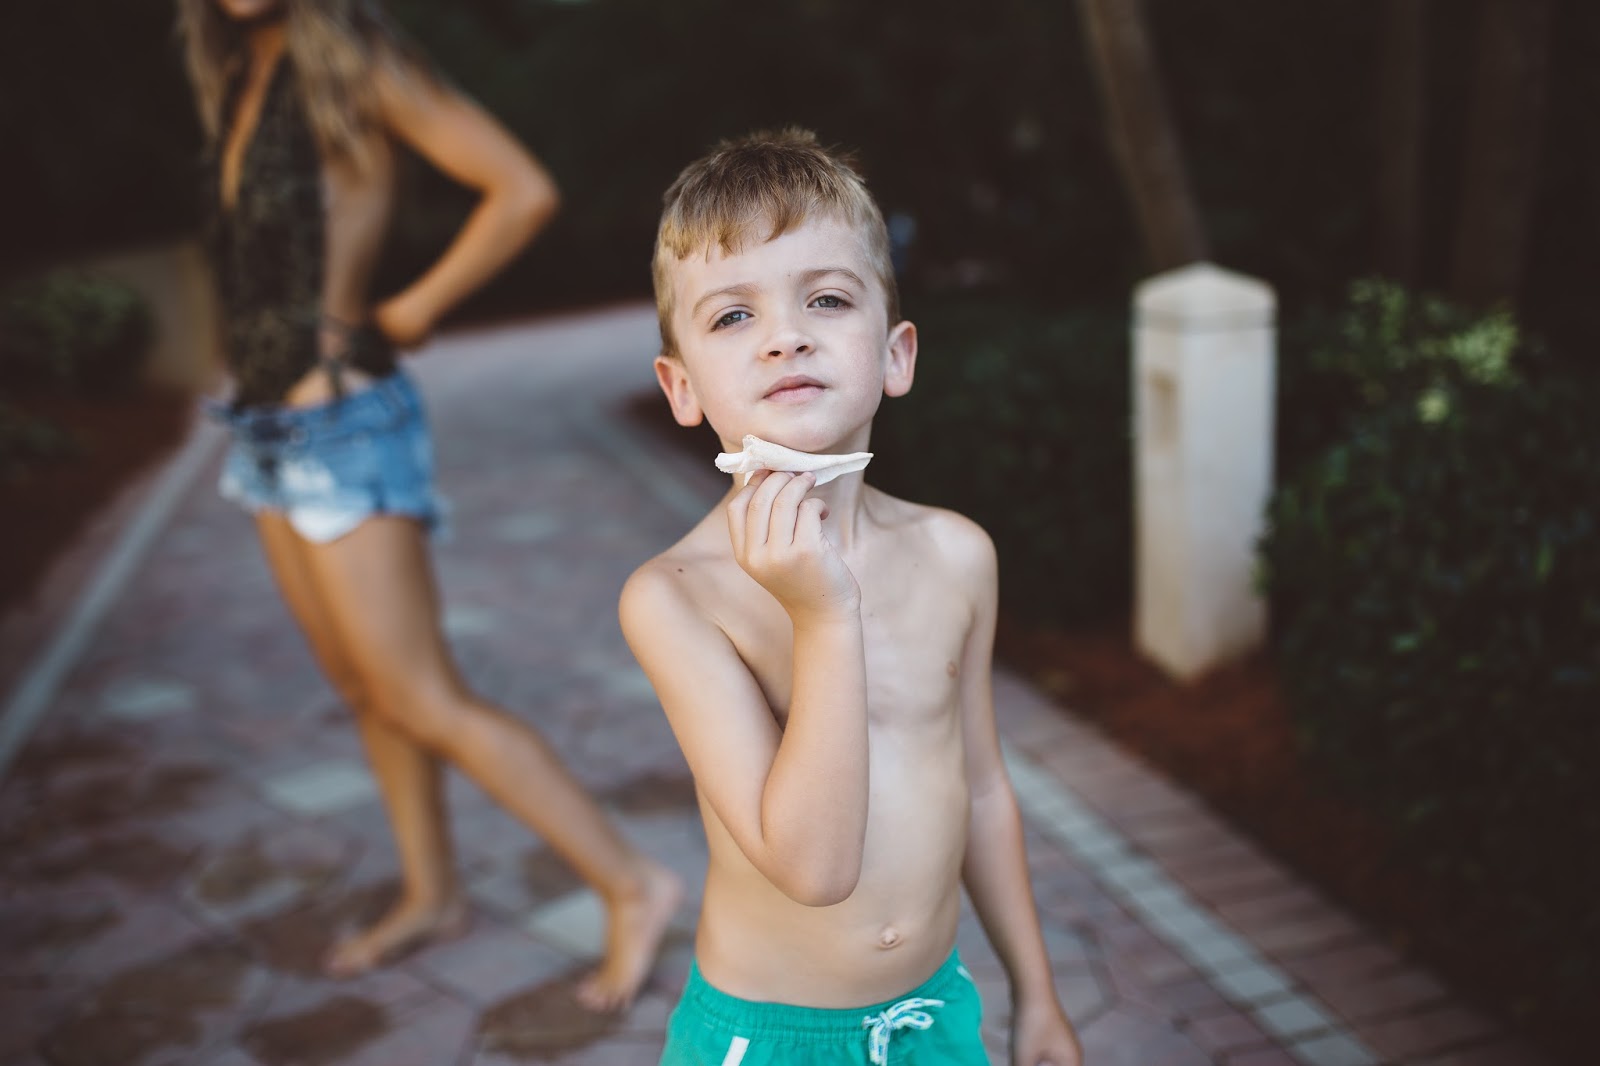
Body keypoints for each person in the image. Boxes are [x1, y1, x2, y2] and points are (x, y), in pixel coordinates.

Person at [177, 0, 680, 1008]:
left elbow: (520, 189)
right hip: (265, 433)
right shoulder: (236, 79)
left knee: (418, 692)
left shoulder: (354, 60)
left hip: (343, 424)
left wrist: (411, 309)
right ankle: (431, 894)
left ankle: (632, 882)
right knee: (367, 691)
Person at [621, 129, 1084, 1064]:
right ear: (682, 387)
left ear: (896, 355)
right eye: (733, 316)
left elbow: (981, 788)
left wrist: (1036, 994)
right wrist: (822, 614)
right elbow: (814, 868)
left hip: (932, 1019)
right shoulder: (676, 600)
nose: (786, 335)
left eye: (826, 299)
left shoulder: (955, 555)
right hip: (767, 1039)